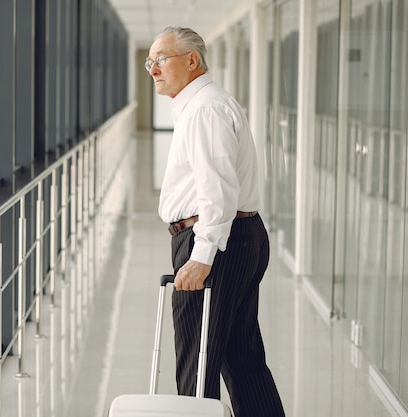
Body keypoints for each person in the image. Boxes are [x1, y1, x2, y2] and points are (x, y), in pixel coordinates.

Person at [147, 26, 285, 416]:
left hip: (215, 242)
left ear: (192, 61)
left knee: (198, 362)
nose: (153, 69)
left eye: (161, 59)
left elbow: (217, 189)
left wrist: (202, 256)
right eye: (149, 62)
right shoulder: (203, 104)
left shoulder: (205, 108)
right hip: (238, 237)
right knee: (242, 359)